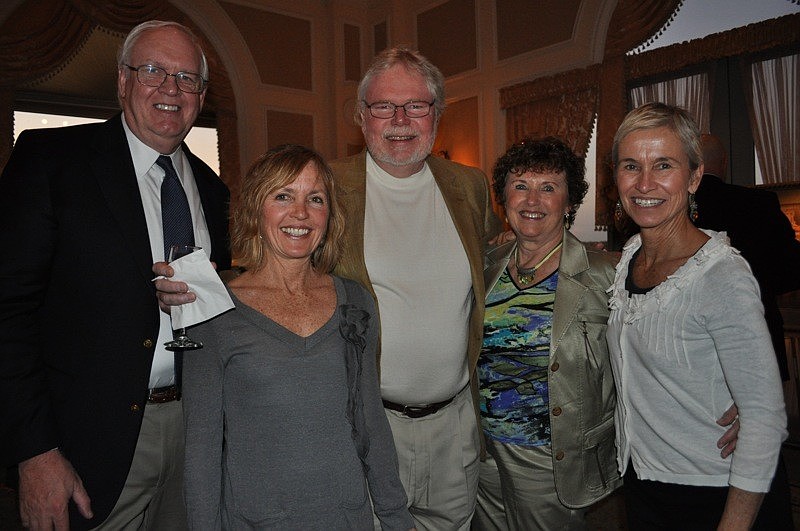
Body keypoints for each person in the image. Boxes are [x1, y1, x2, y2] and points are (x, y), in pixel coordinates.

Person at [0, 20, 230, 530]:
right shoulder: (52, 162)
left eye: (187, 78)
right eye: (153, 71)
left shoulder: (215, 192)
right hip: (85, 443)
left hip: (195, 431)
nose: (171, 89)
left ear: (202, 94)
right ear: (122, 80)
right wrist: (34, 451)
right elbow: (8, 313)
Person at [181, 144, 413, 530]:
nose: (301, 213)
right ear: (256, 208)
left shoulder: (355, 301)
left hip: (346, 517)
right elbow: (201, 447)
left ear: (329, 216)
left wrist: (396, 516)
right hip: (257, 521)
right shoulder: (214, 309)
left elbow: (370, 418)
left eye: (315, 199)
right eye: (283, 196)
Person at [329, 48, 502, 530]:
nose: (400, 120)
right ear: (363, 117)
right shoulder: (326, 187)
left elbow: (500, 267)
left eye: (417, 106)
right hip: (367, 425)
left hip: (455, 427)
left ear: (437, 115)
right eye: (384, 106)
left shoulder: (469, 186)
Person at [607, 102, 787, 529]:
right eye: (631, 165)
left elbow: (765, 418)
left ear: (694, 177)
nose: (644, 182)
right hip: (644, 480)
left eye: (663, 164)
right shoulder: (630, 256)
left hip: (712, 490)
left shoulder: (720, 274)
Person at [472, 137, 621, 530]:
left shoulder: (604, 274)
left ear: (569, 203)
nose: (532, 200)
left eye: (548, 188)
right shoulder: (487, 264)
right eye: (520, 186)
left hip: (550, 455)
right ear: (503, 200)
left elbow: (643, 357)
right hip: (482, 453)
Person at [694, 133, 800, 381]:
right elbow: (790, 268)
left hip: (699, 348)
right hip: (757, 339)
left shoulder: (677, 208)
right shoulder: (759, 203)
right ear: (724, 163)